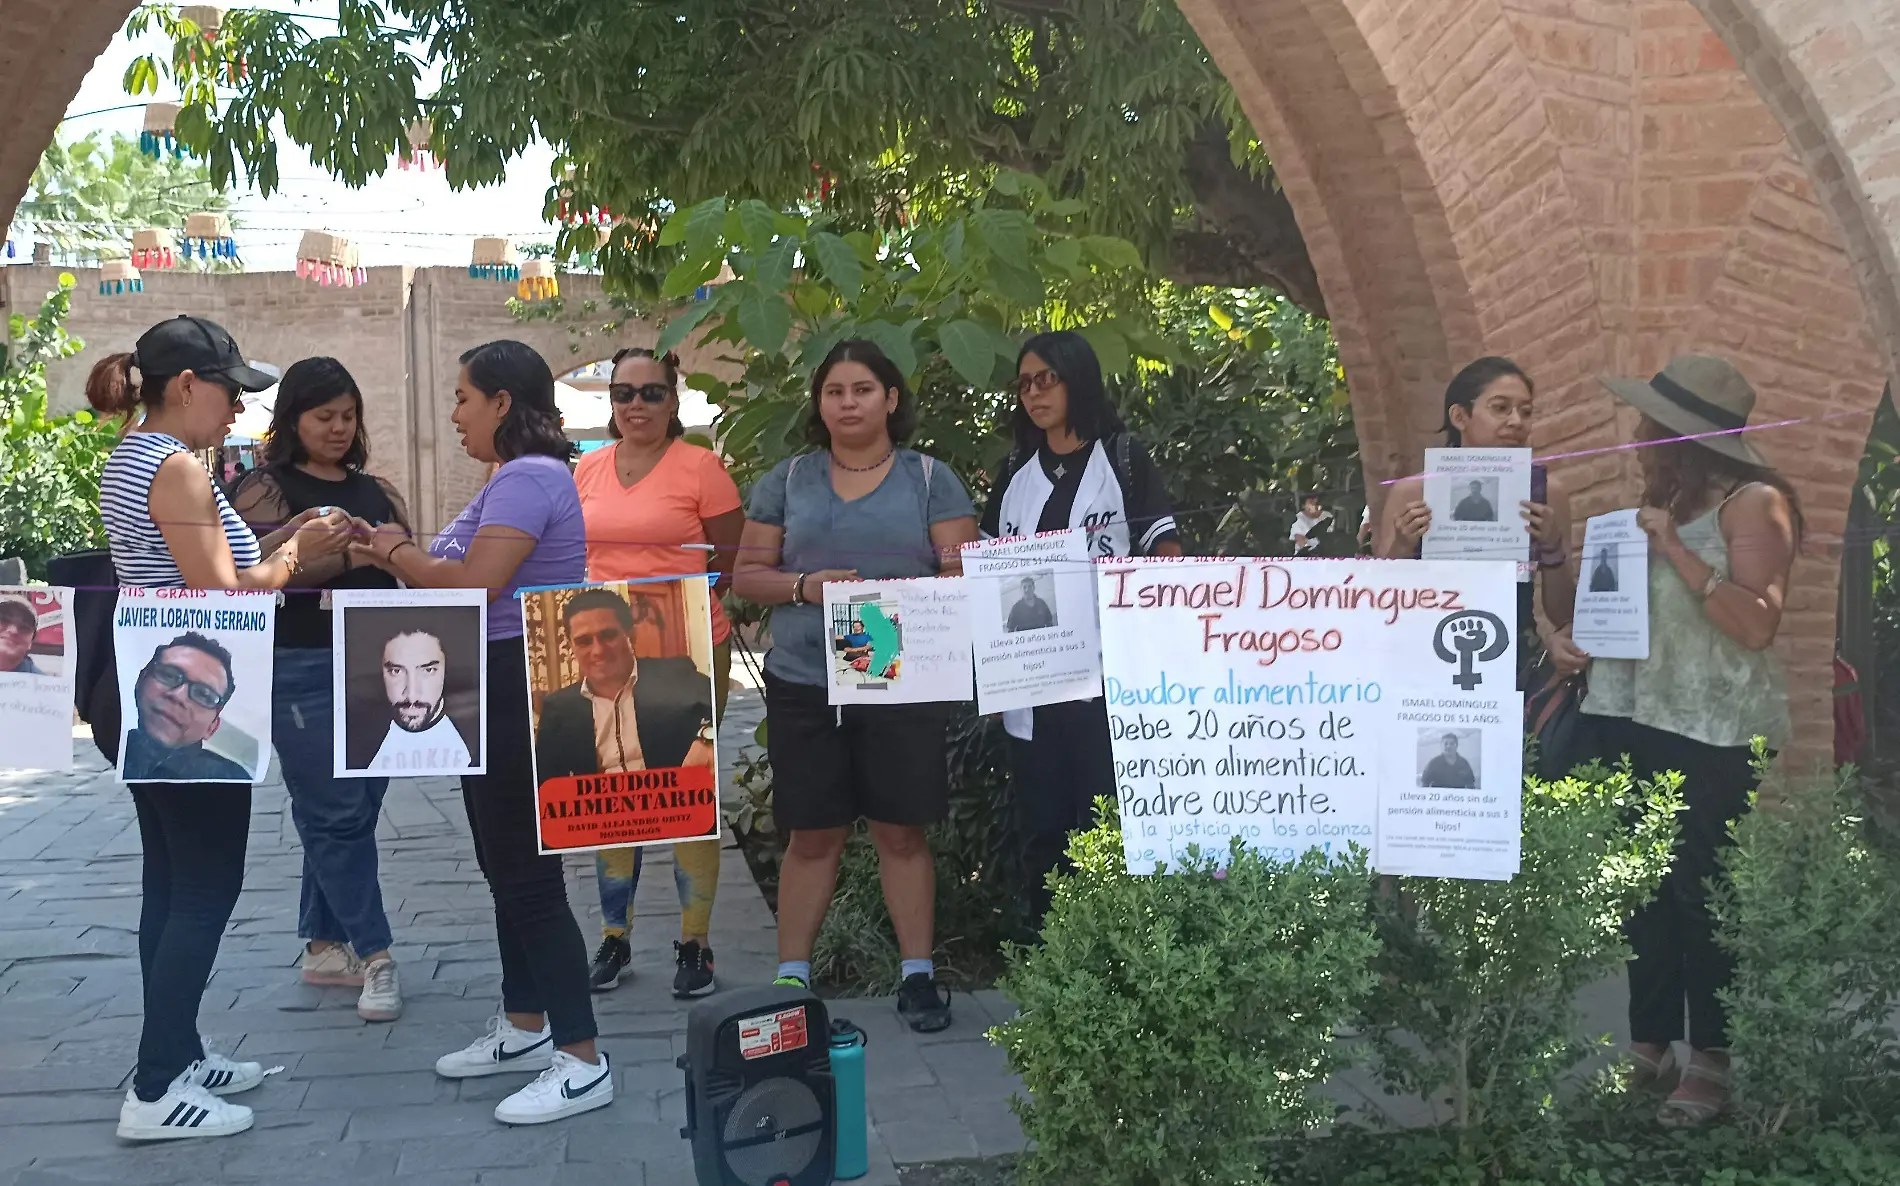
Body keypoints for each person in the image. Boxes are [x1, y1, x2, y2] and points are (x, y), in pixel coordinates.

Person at [85, 315, 353, 1141]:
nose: (240, 407)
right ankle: (158, 1091)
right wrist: (300, 549)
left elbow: (210, 568)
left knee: (170, 883)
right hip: (194, 699)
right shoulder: (178, 470)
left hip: (146, 692)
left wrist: (272, 544)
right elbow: (228, 598)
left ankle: (176, 1050)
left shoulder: (135, 458)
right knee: (204, 886)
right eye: (232, 390)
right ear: (186, 386)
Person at [350, 340, 612, 1125]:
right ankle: (525, 1024)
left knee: (528, 877)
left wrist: (395, 549)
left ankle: (582, 1057)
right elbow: (449, 573)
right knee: (503, 866)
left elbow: (471, 583)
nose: (456, 414)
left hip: (518, 682)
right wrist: (389, 553)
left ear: (502, 403)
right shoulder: (505, 481)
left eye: (464, 398)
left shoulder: (532, 477)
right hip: (485, 678)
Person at [1548, 355, 1800, 1128]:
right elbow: (1615, 620)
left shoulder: (1754, 505)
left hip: (1713, 731)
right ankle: (1649, 1042)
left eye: (1649, 425)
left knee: (1700, 895)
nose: (1635, 435)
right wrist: (1567, 636)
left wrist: (1679, 553)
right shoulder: (1656, 508)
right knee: (1647, 891)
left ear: (1683, 437)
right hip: (1637, 718)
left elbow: (1759, 623)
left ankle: (1712, 1058)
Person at [733, 339, 977, 1032]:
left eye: (863, 389)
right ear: (819, 403)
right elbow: (748, 576)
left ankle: (918, 977)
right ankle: (793, 979)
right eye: (835, 390)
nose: (848, 402)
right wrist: (805, 586)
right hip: (806, 679)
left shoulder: (931, 480)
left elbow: (960, 578)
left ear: (891, 399)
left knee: (902, 831)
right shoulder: (787, 480)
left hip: (901, 677)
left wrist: (901, 600)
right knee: (812, 833)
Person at [231, 356, 411, 1022]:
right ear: (292, 420)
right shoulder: (264, 487)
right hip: (298, 663)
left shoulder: (378, 490)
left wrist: (388, 554)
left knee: (357, 808)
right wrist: (345, 553)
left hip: (376, 662)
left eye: (348, 416)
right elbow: (252, 574)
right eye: (323, 416)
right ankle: (378, 954)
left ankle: (324, 943)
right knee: (332, 812)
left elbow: (406, 568)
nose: (338, 429)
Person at [980, 330, 1182, 923]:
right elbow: (989, 569)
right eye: (1024, 383)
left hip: (1106, 684)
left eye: (1047, 378)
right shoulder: (1016, 469)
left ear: (1078, 378)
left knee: (1105, 826)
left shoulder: (1121, 459)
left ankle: (1111, 965)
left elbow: (1162, 554)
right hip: (1030, 685)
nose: (1034, 392)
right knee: (1042, 828)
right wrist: (990, 671)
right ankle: (1051, 968)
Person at [571, 346, 741, 999]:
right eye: (623, 393)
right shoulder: (586, 469)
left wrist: (675, 613)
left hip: (687, 648)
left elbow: (730, 556)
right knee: (614, 790)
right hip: (605, 652)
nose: (635, 405)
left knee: (684, 786)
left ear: (674, 401)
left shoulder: (702, 467)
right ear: (608, 403)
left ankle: (695, 946)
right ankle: (615, 937)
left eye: (650, 393)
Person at [1375, 357, 1576, 679]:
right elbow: (1377, 601)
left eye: (1526, 411)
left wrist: (1552, 548)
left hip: (1512, 658)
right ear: (1459, 416)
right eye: (1500, 408)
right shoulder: (1413, 493)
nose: (1516, 421)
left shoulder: (1547, 493)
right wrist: (1401, 545)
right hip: (1422, 661)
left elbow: (1564, 614)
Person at [121, 634, 252, 782]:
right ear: (141, 680)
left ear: (212, 727)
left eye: (203, 694)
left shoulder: (229, 776)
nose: (179, 696)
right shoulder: (112, 745)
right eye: (169, 675)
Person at [363, 628, 474, 772]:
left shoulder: (474, 740)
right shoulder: (359, 740)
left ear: (447, 671)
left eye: (428, 670)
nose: (412, 696)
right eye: (396, 671)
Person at [0, 596, 43, 673]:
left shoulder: (44, 682)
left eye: (24, 627)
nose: (13, 631)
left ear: (30, 643)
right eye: (3, 619)